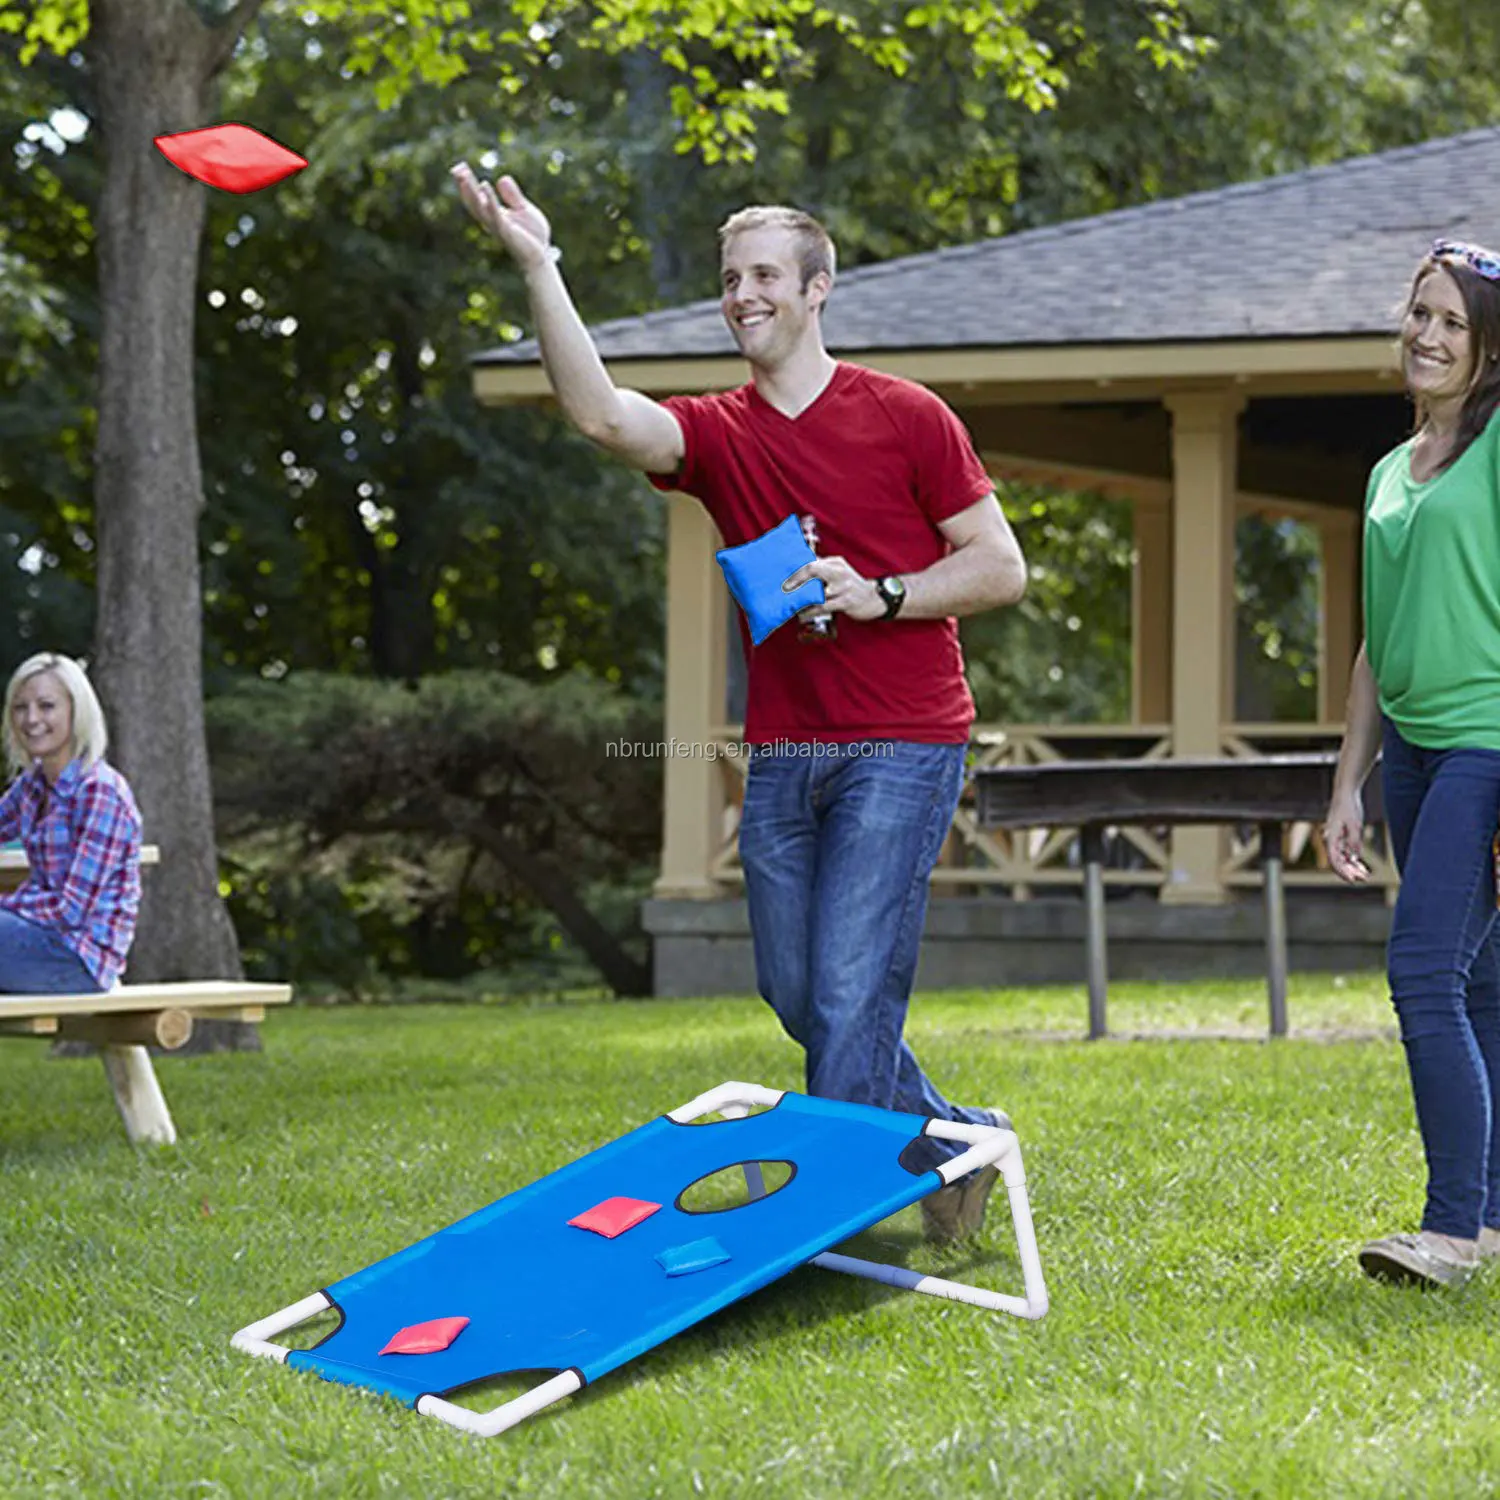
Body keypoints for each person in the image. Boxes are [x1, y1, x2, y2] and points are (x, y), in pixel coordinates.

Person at [452, 165, 1027, 1241]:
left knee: (852, 990)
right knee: (800, 990)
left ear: (818, 289)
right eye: (730, 278)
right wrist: (539, 263)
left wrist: (886, 592)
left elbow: (1000, 567)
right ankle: (954, 1140)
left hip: (902, 742)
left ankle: (822, 1219)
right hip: (785, 751)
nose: (742, 294)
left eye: (765, 274)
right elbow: (599, 416)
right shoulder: (719, 432)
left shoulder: (908, 417)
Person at [1325, 238, 1500, 1288]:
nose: (1426, 336)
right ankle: (1489, 1225)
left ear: (1488, 351)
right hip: (1412, 754)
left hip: (1489, 743)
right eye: (1419, 315)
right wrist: (1346, 780)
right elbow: (1374, 643)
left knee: (1423, 970)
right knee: (1479, 988)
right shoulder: (1391, 469)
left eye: (1452, 323)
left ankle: (1449, 1227)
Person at [0, 653, 142, 994]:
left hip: (77, 960)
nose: (31, 719)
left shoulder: (101, 793)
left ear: (76, 711)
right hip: (34, 939)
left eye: (46, 706)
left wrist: (5, 902)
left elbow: (71, 910)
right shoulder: (34, 785)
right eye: (20, 708)